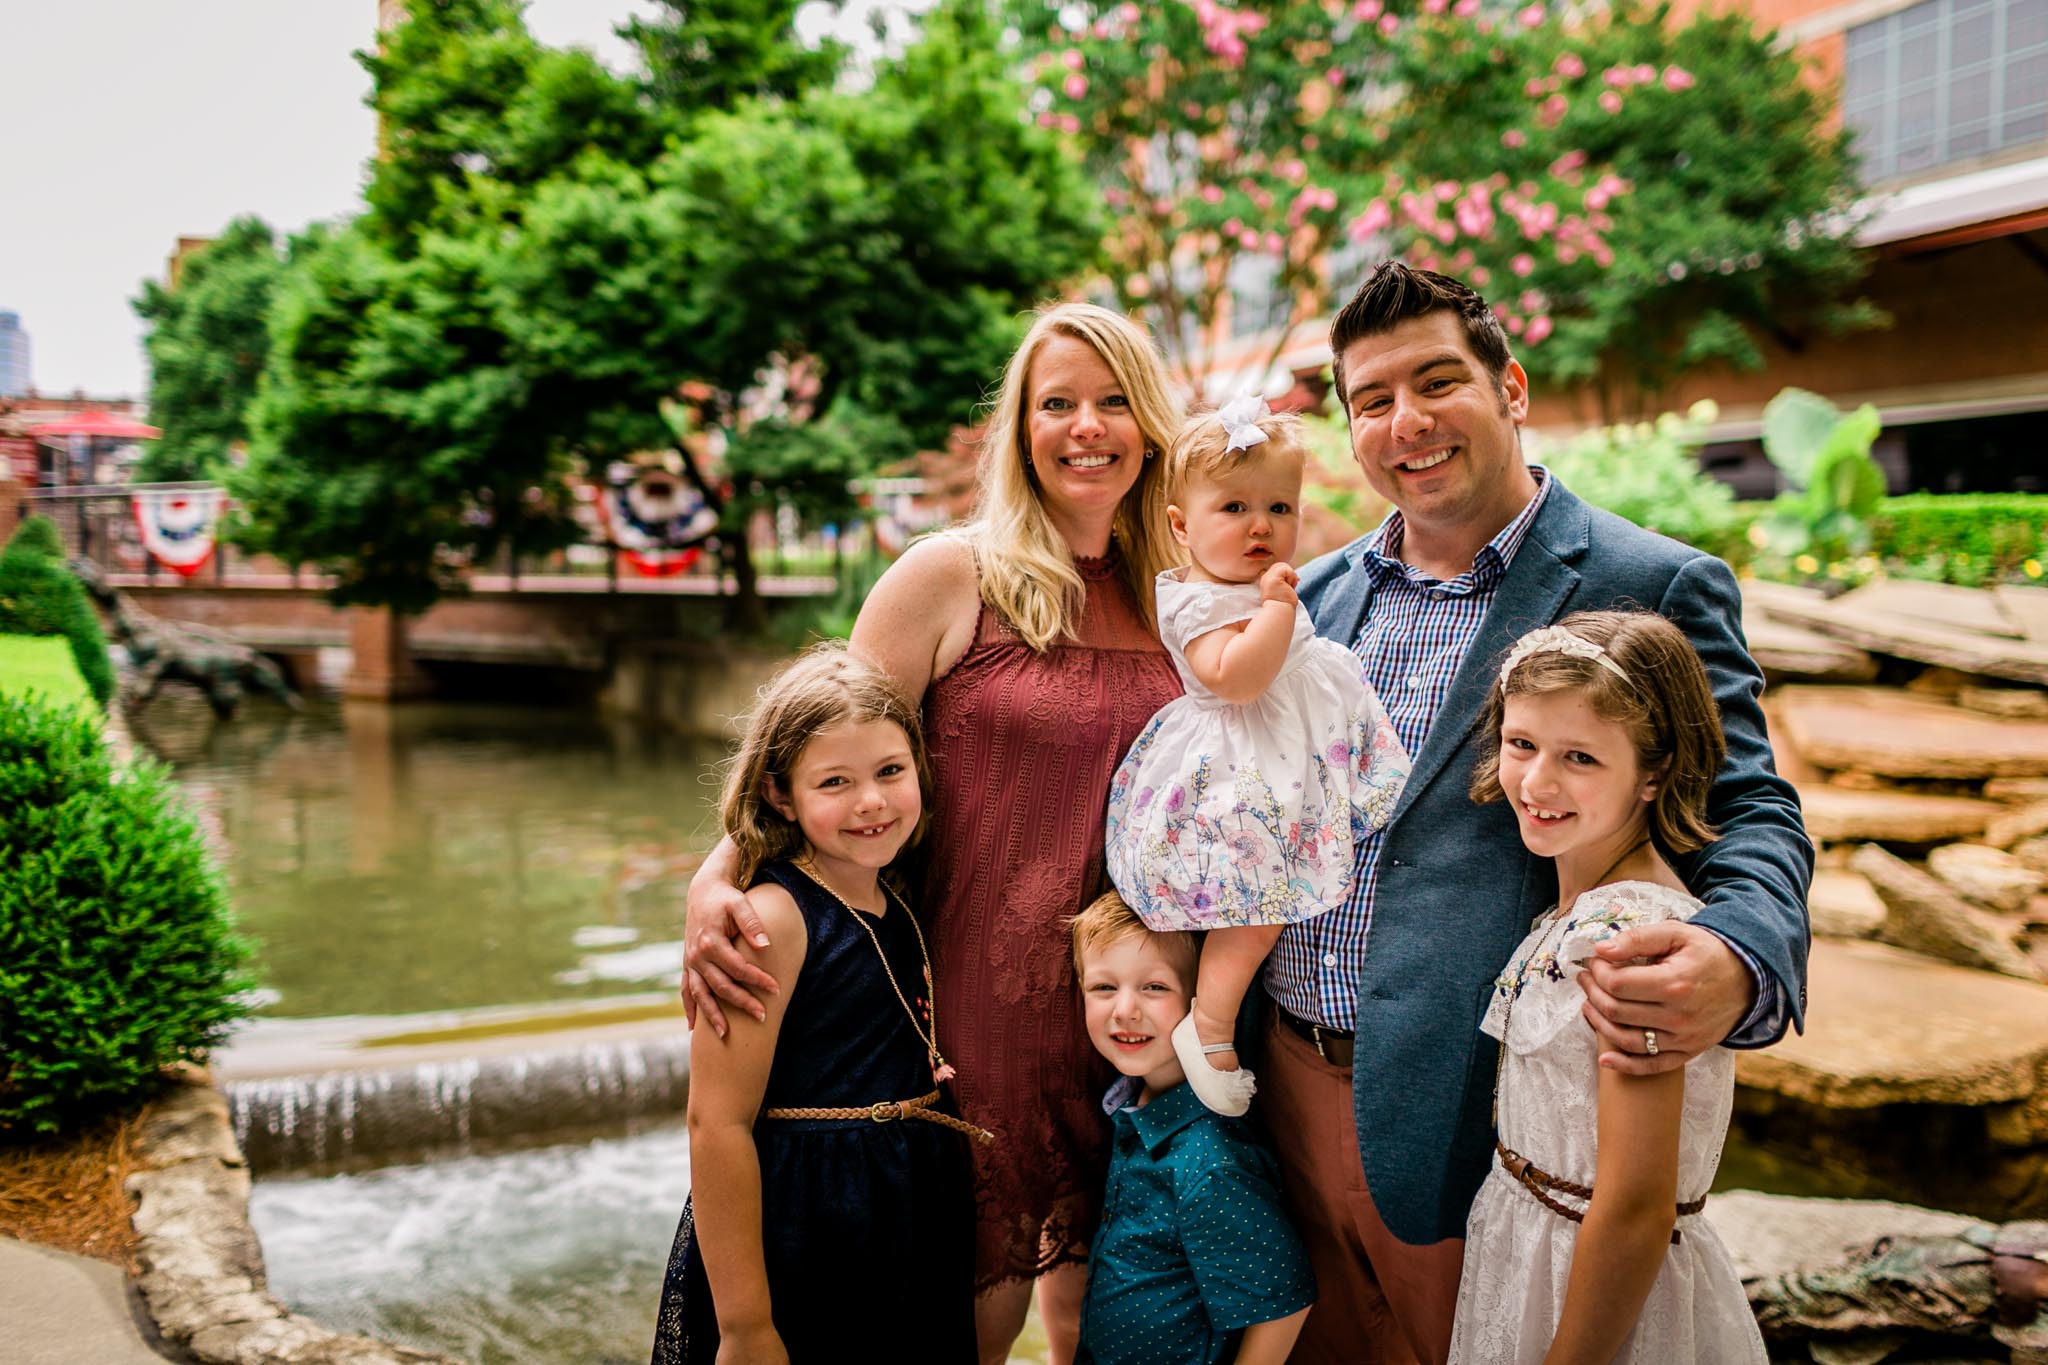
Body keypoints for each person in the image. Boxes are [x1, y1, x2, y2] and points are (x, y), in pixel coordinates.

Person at [1264, 262, 1812, 1364]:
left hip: (1465, 1108)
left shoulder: (1649, 582)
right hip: (1276, 1077)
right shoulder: (1310, 597)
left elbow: (1749, 806)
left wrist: (1737, 952)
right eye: (1370, 401)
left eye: (1434, 383)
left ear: (1510, 387)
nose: (1403, 422)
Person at [681, 303, 1187, 1365]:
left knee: (1106, 1314)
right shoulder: (948, 575)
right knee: (960, 1323)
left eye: (1110, 402)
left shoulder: (1180, 600)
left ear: (1147, 424)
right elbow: (826, 740)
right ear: (1019, 426)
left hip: (1126, 1007)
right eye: (1056, 403)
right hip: (959, 1012)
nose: (1084, 427)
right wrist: (715, 874)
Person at [1447, 611, 1767, 1363]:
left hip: (1591, 1292)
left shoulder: (1633, 940)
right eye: (1521, 743)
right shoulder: (1576, 909)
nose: (1537, 780)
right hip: (1526, 1247)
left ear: (1654, 773)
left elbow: (1633, 1207)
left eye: (1581, 757)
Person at [650, 644, 981, 1365]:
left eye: (891, 772)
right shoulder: (772, 922)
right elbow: (717, 1121)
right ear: (779, 793)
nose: (871, 801)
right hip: (808, 1226)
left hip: (902, 1213)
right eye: (835, 781)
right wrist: (744, 1324)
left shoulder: (892, 891)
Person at [1104, 398, 1410, 1116]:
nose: (1261, 525)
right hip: (1241, 772)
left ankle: (1227, 1020)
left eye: (1279, 505)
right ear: (1182, 526)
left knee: (1275, 897)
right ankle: (1207, 1022)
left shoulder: (1248, 584)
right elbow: (1236, 676)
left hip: (1284, 756)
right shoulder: (1196, 602)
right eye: (1234, 506)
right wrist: (1274, 609)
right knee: (1259, 903)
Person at [1069, 890, 1315, 1365]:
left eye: (1154, 988)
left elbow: (1285, 1302)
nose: (1124, 1010)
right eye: (1103, 988)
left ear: (1201, 997)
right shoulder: (1134, 1108)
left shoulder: (1208, 1160)